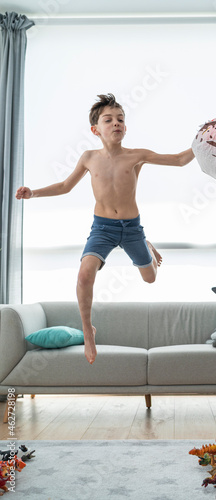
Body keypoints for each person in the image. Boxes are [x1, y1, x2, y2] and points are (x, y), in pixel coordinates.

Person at [16, 93, 194, 365]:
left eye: (121, 119)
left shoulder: (138, 155)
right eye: (108, 120)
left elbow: (180, 160)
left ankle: (146, 243)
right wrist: (33, 193)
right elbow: (65, 187)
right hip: (102, 229)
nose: (116, 124)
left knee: (150, 279)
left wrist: (204, 141)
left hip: (132, 229)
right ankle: (88, 330)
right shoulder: (89, 158)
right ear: (95, 129)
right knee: (84, 275)